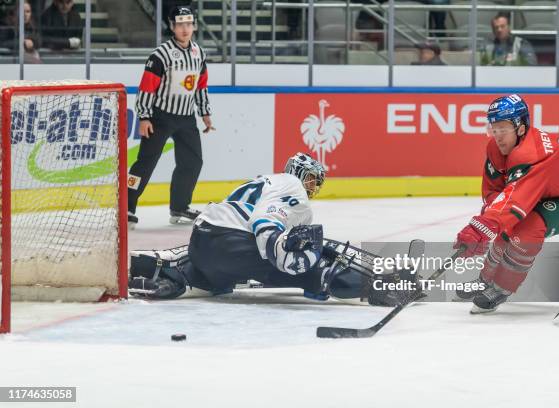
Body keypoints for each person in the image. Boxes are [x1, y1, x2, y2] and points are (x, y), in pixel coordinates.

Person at [128, 153, 417, 306]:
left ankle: (165, 271)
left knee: (215, 272)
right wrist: (287, 254)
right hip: (232, 243)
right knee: (317, 268)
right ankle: (380, 285)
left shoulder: (266, 181)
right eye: (314, 179)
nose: (316, 186)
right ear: (301, 174)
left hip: (204, 243)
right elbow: (266, 223)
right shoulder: (291, 185)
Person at [453, 94, 559, 313]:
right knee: (507, 222)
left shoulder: (533, 154)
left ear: (521, 128)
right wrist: (489, 222)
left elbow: (515, 201)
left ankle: (501, 287)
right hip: (550, 189)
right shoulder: (496, 149)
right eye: (494, 128)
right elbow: (495, 192)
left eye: (503, 128)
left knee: (526, 227)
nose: (497, 136)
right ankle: (484, 280)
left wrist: (482, 226)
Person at [129, 6, 213, 228]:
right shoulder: (160, 55)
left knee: (192, 162)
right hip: (160, 117)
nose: (185, 29)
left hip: (186, 118)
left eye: (189, 23)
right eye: (180, 24)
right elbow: (146, 88)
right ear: (172, 26)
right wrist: (144, 117)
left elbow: (200, 86)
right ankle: (126, 206)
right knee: (146, 162)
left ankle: (179, 206)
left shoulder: (199, 53)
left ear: (194, 25)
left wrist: (204, 112)